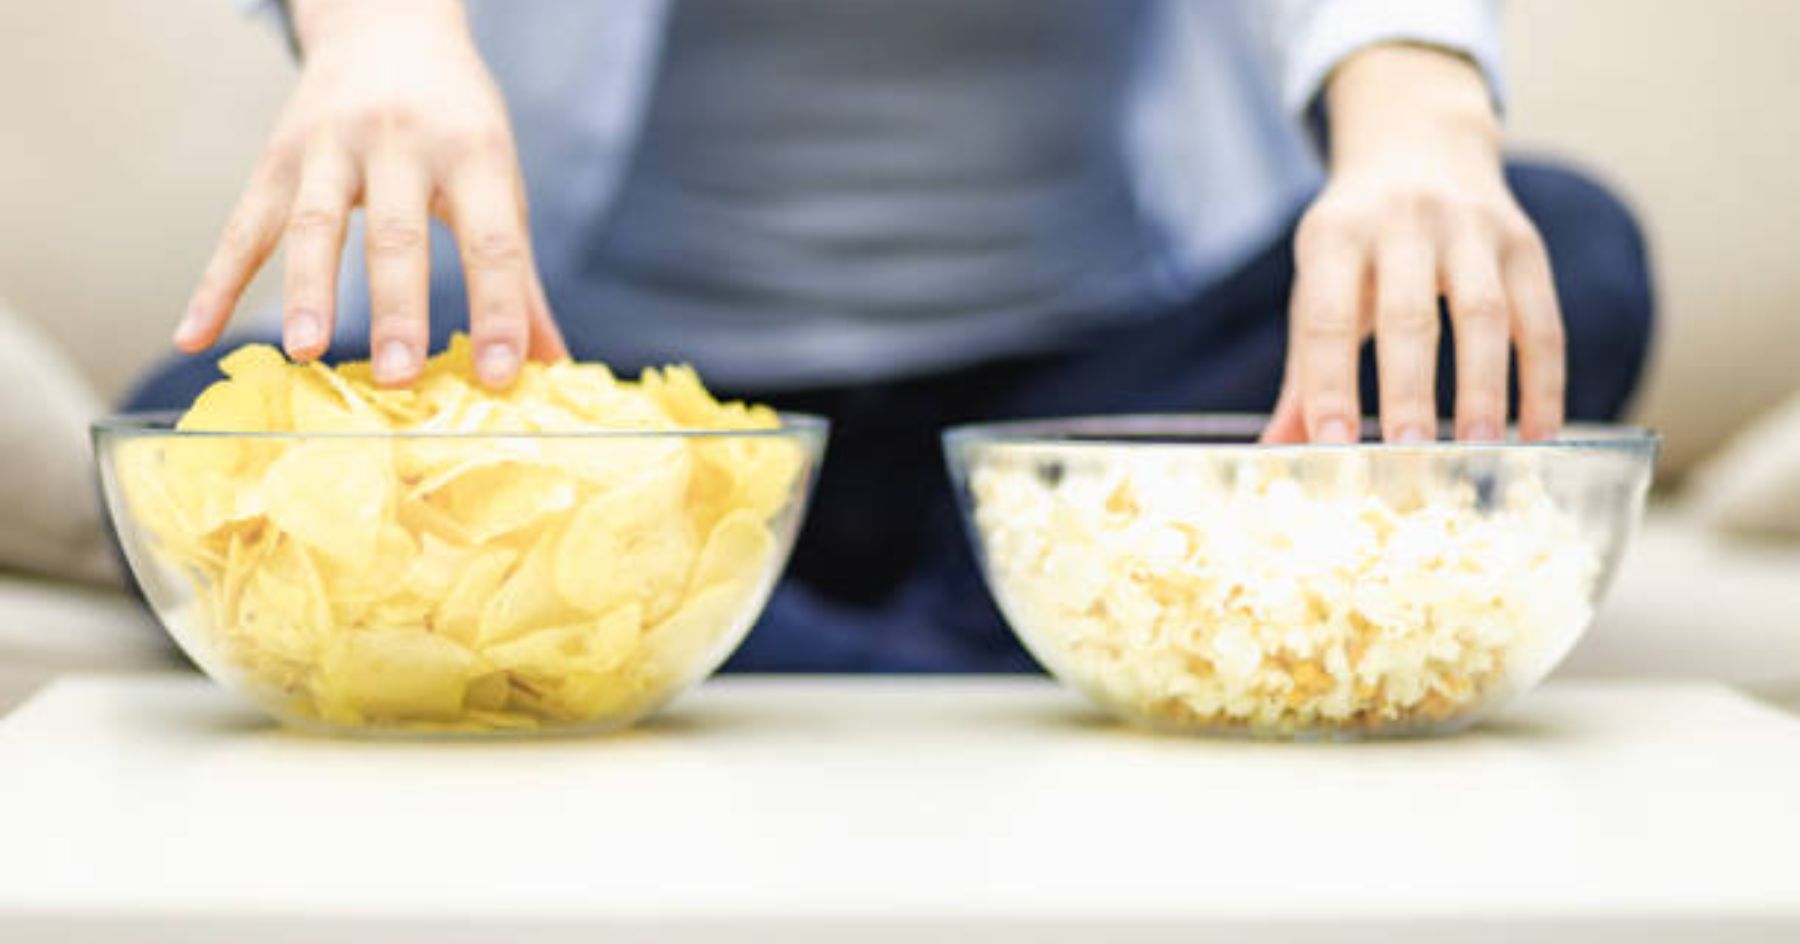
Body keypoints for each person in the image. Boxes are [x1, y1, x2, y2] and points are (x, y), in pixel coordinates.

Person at [131, 0, 1653, 671]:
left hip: (1082, 427)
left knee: (1566, 249)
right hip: (639, 444)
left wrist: (1417, 108)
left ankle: (765, 661)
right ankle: (1017, 653)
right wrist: (380, 26)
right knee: (197, 432)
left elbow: (1381, 33)